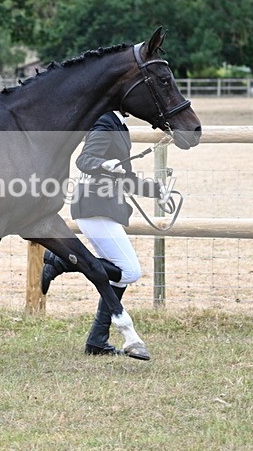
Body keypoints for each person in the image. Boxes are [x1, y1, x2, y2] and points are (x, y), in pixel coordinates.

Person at [42, 110, 167, 357]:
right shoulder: (104, 121)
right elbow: (85, 160)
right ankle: (61, 261)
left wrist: (155, 190)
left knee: (117, 275)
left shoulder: (118, 125)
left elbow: (124, 177)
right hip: (95, 206)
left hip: (102, 206)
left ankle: (97, 341)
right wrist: (102, 164)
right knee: (130, 271)